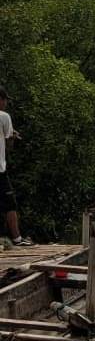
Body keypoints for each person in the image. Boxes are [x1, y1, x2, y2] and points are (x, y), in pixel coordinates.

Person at [0, 87, 32, 246]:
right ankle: (17, 239)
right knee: (10, 204)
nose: (6, 103)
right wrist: (14, 136)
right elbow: (9, 145)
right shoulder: (4, 116)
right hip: (0, 169)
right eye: (5, 99)